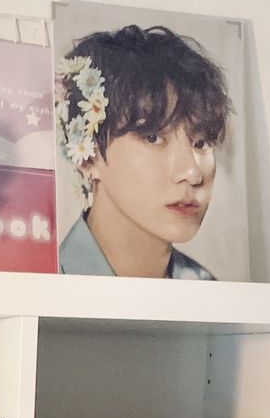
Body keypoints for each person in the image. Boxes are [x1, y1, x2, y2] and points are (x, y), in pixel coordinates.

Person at [56, 23, 231, 279]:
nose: (192, 173)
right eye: (153, 137)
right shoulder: (48, 281)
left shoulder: (208, 290)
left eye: (201, 142)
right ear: (87, 154)